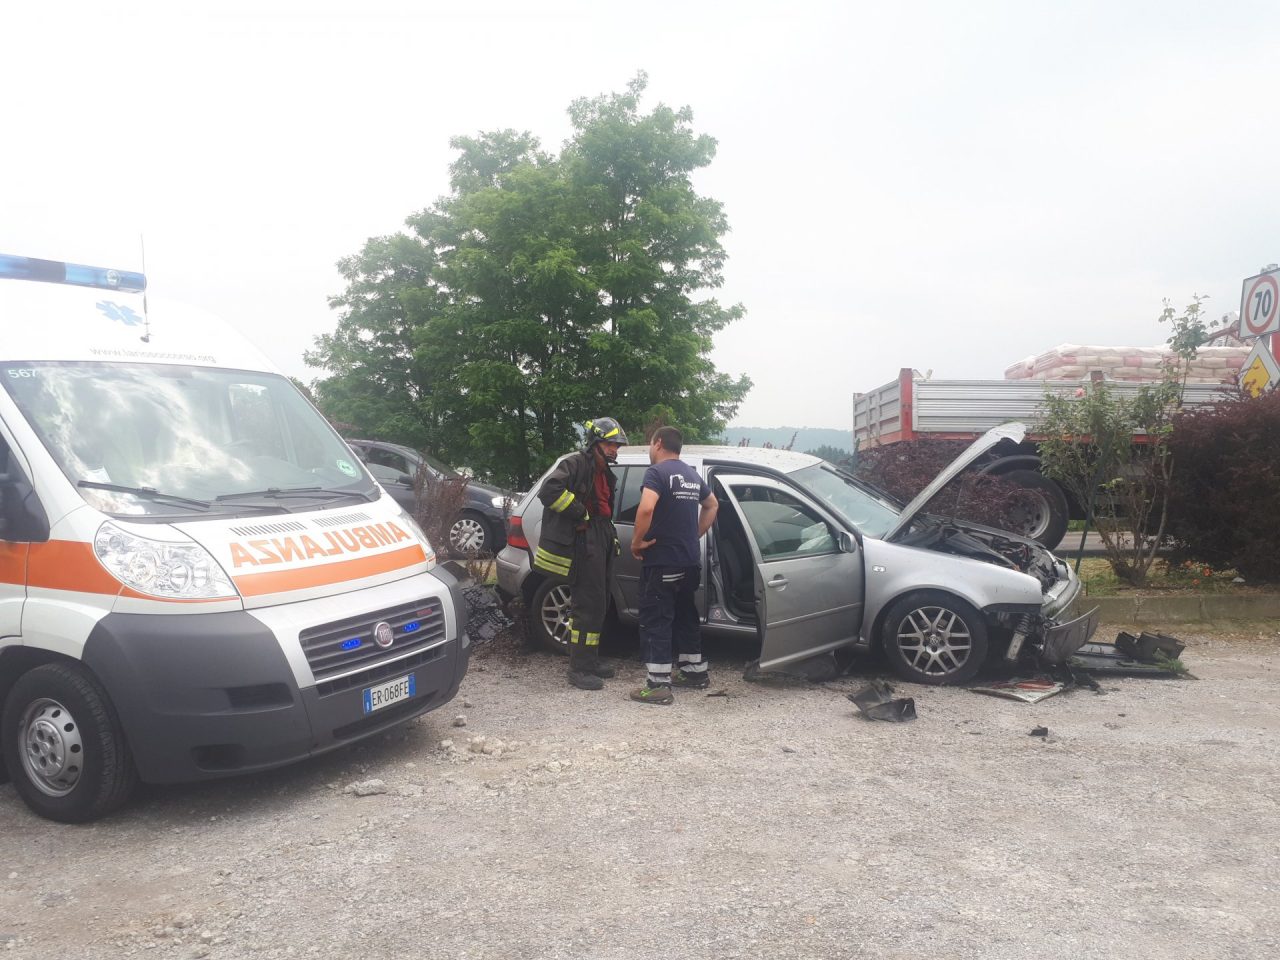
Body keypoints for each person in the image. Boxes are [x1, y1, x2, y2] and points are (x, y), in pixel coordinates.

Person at [534, 417, 627, 690]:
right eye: (611, 444)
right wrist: (579, 512)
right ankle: (579, 669)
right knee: (586, 606)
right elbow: (550, 490)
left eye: (616, 446)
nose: (614, 450)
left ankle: (591, 660)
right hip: (584, 542)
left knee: (599, 603)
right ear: (596, 443)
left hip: (600, 538)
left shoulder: (603, 471)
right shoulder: (575, 463)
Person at [629, 426, 718, 704]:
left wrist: (637, 542)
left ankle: (657, 685)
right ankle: (694, 673)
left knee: (657, 617)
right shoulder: (691, 474)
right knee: (684, 614)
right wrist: (694, 535)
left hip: (663, 560)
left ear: (657, 443)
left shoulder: (657, 473)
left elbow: (646, 508)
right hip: (689, 560)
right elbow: (712, 505)